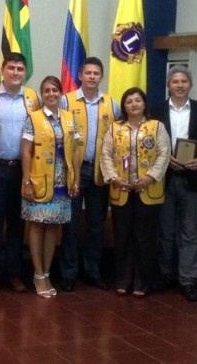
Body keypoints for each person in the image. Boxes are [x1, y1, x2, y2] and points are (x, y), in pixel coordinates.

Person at [0, 52, 40, 293]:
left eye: (20, 69)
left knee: (17, 223)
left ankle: (14, 272)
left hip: (23, 169)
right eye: (11, 68)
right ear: (2, 70)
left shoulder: (33, 98)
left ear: (25, 73)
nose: (16, 73)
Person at [150, 66, 197, 302]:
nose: (179, 85)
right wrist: (165, 162)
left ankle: (188, 279)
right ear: (168, 85)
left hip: (192, 178)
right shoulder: (155, 111)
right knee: (165, 231)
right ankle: (166, 274)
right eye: (175, 81)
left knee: (189, 232)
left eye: (184, 81)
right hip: (164, 179)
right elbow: (149, 144)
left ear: (190, 84)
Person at [100, 88, 170, 297]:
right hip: (122, 190)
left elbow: (164, 154)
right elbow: (106, 155)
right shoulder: (115, 128)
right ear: (124, 106)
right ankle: (122, 279)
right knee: (122, 236)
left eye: (137, 100)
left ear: (144, 104)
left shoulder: (156, 127)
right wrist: (114, 178)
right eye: (129, 101)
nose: (133, 104)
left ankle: (142, 281)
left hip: (148, 190)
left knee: (145, 237)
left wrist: (149, 178)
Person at [58, 57, 119, 292]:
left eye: (96, 73)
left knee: (96, 224)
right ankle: (68, 273)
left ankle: (92, 270)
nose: (92, 77)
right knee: (71, 224)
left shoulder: (111, 104)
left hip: (100, 171)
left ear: (101, 77)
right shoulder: (66, 101)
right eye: (88, 73)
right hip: (74, 170)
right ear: (80, 76)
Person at [21, 76, 81, 298]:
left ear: (61, 92)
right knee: (37, 226)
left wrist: (75, 179)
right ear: (42, 94)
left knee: (53, 228)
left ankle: (47, 272)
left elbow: (75, 149)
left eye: (55, 90)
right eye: (46, 91)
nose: (51, 94)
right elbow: (26, 151)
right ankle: (37, 275)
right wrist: (26, 180)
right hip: (39, 180)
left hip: (61, 182)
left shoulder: (68, 118)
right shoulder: (33, 119)